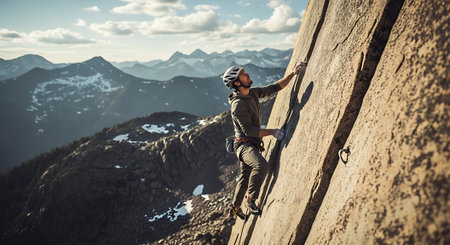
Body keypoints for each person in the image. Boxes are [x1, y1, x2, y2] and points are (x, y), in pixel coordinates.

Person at [223, 62, 306, 219]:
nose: (247, 75)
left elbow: (273, 88)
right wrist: (273, 132)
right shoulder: (238, 105)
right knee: (260, 165)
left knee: (245, 176)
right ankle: (250, 200)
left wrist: (293, 73)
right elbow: (250, 131)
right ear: (236, 83)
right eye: (243, 74)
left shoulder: (251, 93)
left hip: (250, 143)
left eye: (245, 72)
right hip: (244, 145)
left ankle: (235, 207)